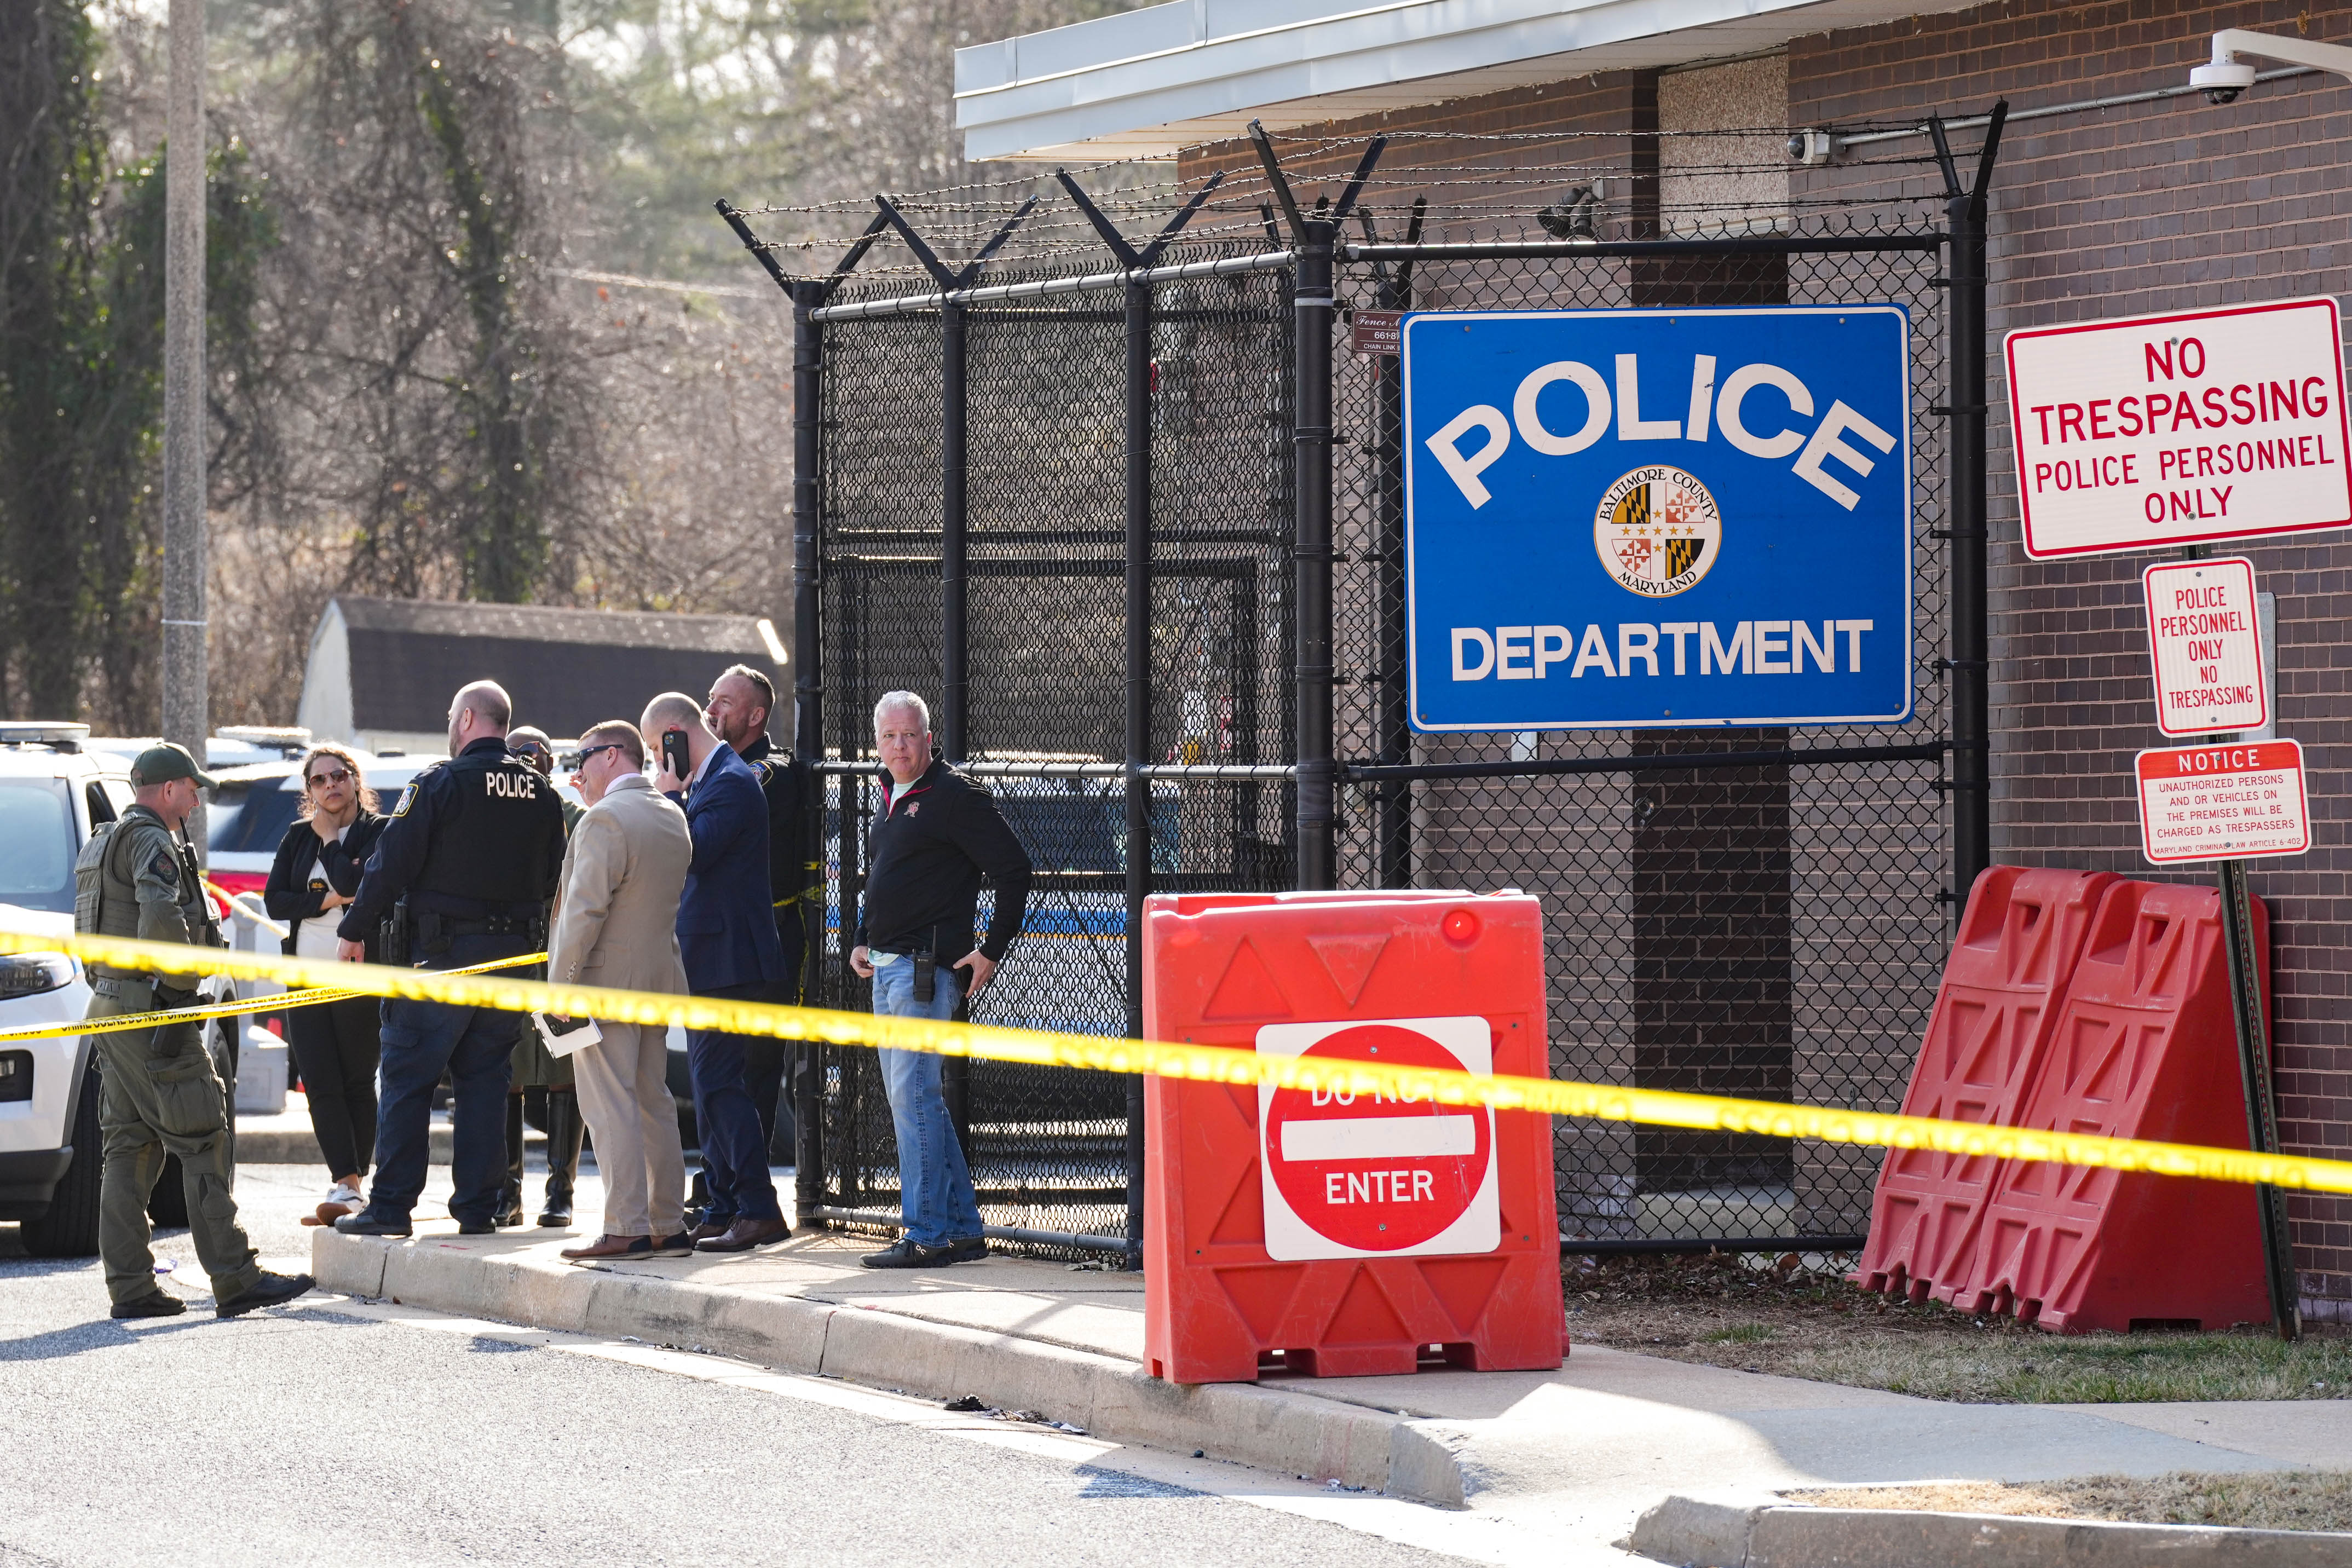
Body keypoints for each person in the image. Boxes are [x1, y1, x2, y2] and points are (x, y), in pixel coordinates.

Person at [77, 742, 314, 1319]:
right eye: (190, 789)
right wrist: (184, 978)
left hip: (111, 1007)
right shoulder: (154, 839)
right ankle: (235, 1277)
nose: (195, 801)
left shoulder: (102, 838)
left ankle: (131, 1286)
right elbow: (161, 920)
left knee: (127, 1146)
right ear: (166, 790)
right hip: (157, 1014)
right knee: (204, 1136)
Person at [334, 681, 568, 1238]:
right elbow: (558, 871)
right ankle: (478, 1209)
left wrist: (353, 929)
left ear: (466, 719)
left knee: (409, 1076)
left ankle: (390, 1206)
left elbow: (391, 862)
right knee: (486, 1082)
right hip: (513, 958)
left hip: (441, 958)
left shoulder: (439, 782)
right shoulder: (541, 792)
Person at [848, 691, 1031, 1270]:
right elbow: (881, 877)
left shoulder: (954, 795)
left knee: (914, 1101)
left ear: (930, 737)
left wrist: (991, 950)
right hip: (886, 966)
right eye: (889, 737)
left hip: (925, 973)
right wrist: (859, 936)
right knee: (919, 1100)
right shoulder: (890, 795)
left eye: (910, 735)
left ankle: (926, 1235)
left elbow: (1015, 868)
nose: (899, 747)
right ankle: (962, 1229)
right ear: (876, 742)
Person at [639, 690, 789, 1253]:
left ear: (676, 735)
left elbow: (692, 852)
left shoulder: (728, 780)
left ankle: (757, 1206)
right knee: (709, 1087)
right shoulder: (711, 779)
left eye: (659, 749)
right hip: (709, 957)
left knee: (720, 1085)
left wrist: (672, 795)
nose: (658, 762)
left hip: (730, 959)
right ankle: (725, 1202)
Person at [549, 722, 696, 1263]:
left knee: (609, 1104)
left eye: (582, 758)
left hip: (603, 984)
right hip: (656, 982)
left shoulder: (605, 818)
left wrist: (559, 989)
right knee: (653, 1101)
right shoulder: (670, 813)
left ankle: (626, 1225)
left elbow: (584, 913)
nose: (577, 771)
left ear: (612, 755)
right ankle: (667, 1223)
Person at [261, 742, 388, 1227]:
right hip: (305, 979)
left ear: (355, 781)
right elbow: (275, 901)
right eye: (319, 780)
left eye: (339, 776)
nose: (330, 785)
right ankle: (346, 1182)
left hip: (359, 976)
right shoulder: (297, 838)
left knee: (357, 1080)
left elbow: (361, 886)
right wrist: (325, 900)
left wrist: (333, 844)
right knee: (318, 1080)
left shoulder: (379, 833)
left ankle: (356, 1184)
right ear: (309, 790)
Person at [704, 664, 803, 1168]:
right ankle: (719, 1188)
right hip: (718, 941)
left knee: (751, 1070)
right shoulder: (714, 770)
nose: (712, 709)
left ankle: (744, 1192)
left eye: (725, 702)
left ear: (756, 715)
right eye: (711, 698)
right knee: (716, 1071)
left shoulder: (767, 772)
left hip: (766, 941)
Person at [495, 724, 585, 1230]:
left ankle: (561, 1192)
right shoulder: (497, 813)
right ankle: (508, 1192)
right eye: (514, 754)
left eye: (534, 753)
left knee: (561, 1075)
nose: (525, 762)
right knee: (507, 1074)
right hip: (509, 957)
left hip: (558, 957)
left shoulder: (564, 809)